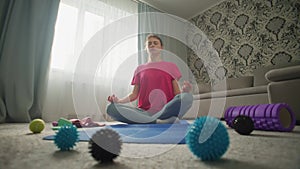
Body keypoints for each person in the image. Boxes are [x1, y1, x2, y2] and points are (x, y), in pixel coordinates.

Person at [106, 34, 193, 124]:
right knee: (111, 108)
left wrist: (185, 92)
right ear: (146, 48)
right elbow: (134, 94)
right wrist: (119, 101)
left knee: (187, 97)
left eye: (155, 43)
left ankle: (149, 120)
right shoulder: (139, 69)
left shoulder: (171, 66)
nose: (152, 45)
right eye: (149, 44)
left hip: (166, 110)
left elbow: (177, 94)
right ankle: (157, 121)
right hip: (144, 112)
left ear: (161, 47)